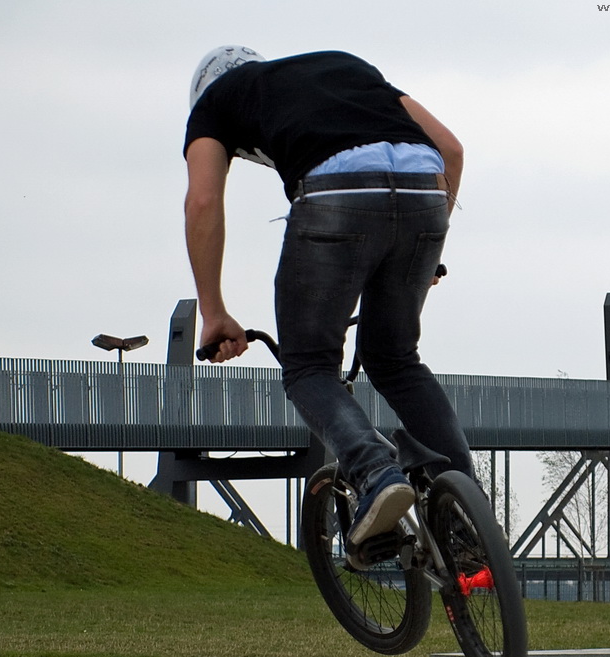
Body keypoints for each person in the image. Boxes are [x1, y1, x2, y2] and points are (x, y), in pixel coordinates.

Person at [183, 46, 475, 550]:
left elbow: (203, 199)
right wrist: (423, 253)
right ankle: (467, 511)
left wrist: (213, 312)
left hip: (335, 192)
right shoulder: (345, 66)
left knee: (310, 367)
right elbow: (450, 149)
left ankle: (375, 472)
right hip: (426, 191)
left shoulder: (215, 101)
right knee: (397, 360)